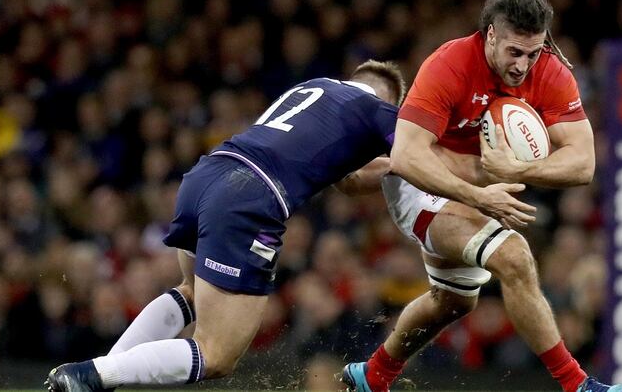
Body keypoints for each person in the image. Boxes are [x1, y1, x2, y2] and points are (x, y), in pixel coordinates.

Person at [44, 60, 528, 391]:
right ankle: (91, 375)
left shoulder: (312, 90)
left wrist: (386, 166)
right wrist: (490, 174)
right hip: (249, 200)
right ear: (391, 99)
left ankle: (95, 377)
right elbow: (422, 157)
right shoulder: (381, 111)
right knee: (216, 354)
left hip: (206, 177)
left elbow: (350, 180)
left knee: (190, 292)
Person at [339, 0, 622, 392]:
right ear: (491, 35)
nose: (523, 65)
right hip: (421, 183)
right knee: (514, 257)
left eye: (533, 53)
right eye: (514, 52)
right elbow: (406, 156)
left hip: (479, 188)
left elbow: (583, 164)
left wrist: (519, 168)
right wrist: (478, 195)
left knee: (453, 301)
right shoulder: (450, 64)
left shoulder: (550, 71)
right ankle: (578, 385)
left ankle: (373, 375)